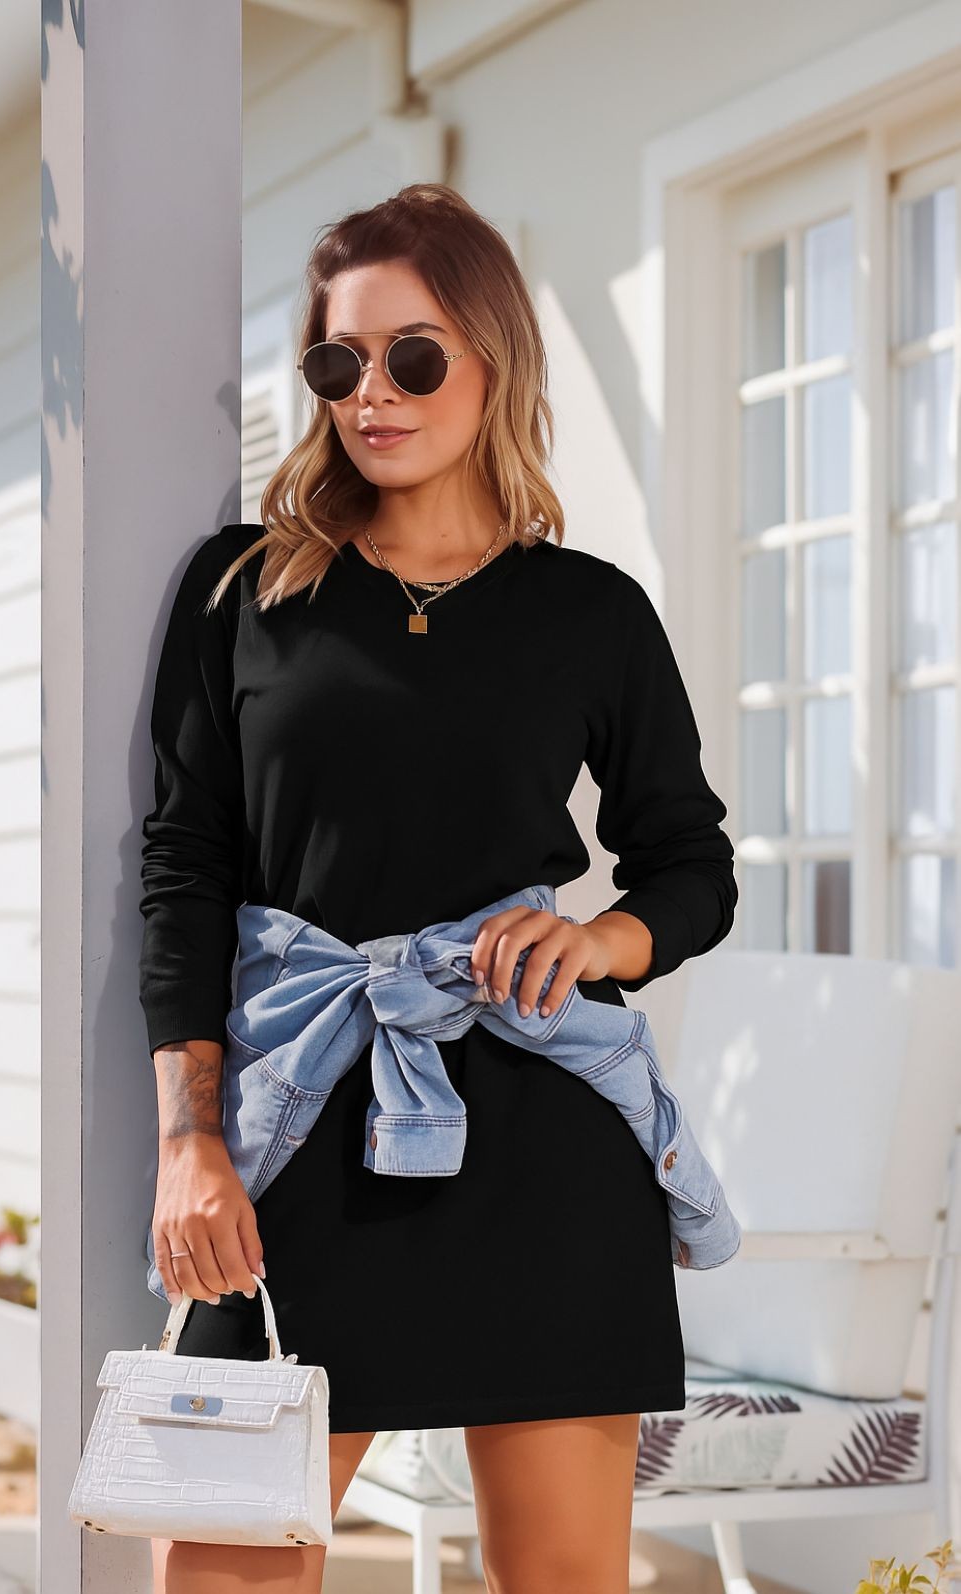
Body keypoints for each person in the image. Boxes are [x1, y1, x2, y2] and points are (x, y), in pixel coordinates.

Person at [140, 182, 738, 1594]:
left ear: (492, 357)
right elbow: (186, 864)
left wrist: (597, 941)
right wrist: (188, 1139)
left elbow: (690, 862)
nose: (373, 394)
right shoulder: (244, 592)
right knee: (214, 1570)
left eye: (413, 357)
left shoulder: (590, 611)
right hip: (300, 1124)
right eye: (338, 363)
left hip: (543, 1150)